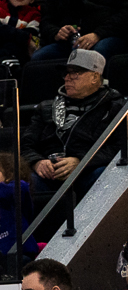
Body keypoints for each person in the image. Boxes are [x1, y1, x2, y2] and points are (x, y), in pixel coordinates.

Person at [23, 48, 125, 196]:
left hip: (89, 172)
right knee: (19, 184)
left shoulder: (115, 107)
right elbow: (26, 144)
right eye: (66, 73)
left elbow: (120, 148)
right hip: (49, 176)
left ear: (95, 77)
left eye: (75, 73)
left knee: (107, 175)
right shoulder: (46, 107)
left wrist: (81, 162)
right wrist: (37, 162)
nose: (67, 78)